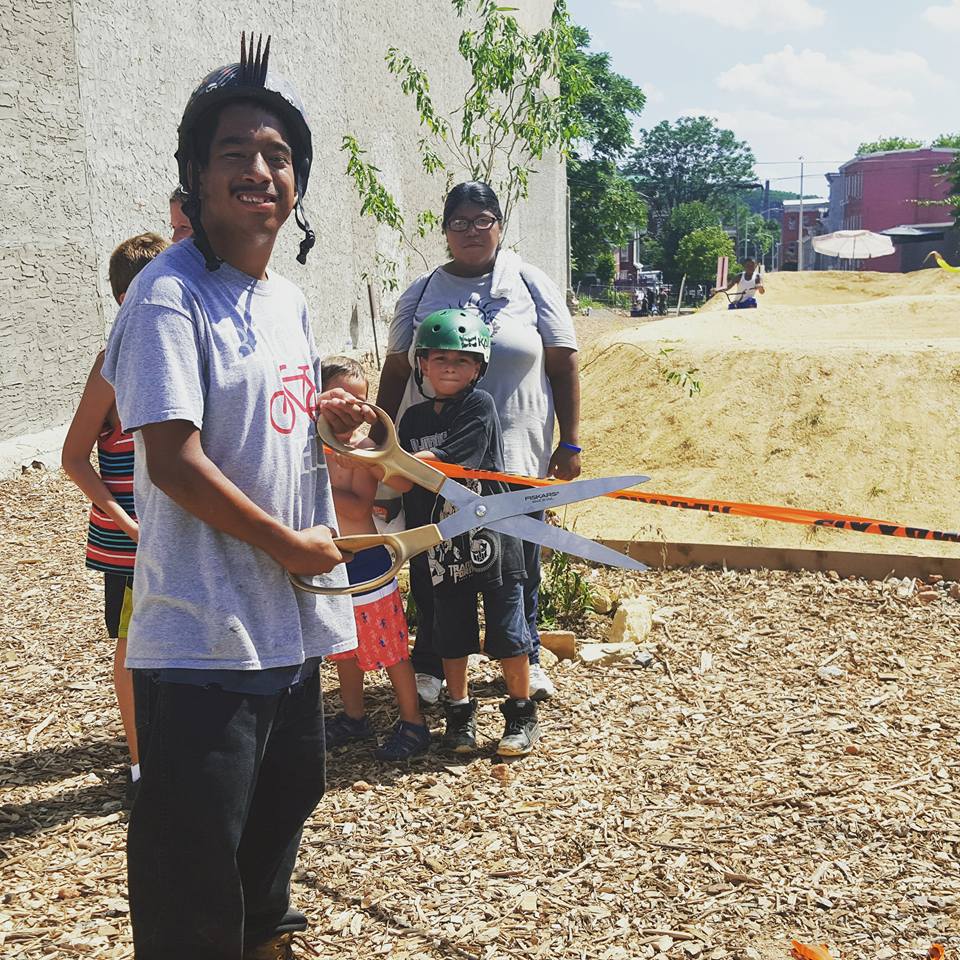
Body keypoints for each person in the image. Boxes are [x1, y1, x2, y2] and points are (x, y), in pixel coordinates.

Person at [102, 35, 371, 959]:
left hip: (288, 634)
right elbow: (171, 461)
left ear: (297, 185)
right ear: (197, 179)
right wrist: (292, 546)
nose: (260, 170)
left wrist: (328, 415)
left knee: (269, 857)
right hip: (203, 640)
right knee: (191, 883)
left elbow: (268, 427)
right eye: (235, 155)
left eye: (278, 156)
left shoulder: (285, 300)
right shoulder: (166, 299)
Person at [375, 181, 580, 706]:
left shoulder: (530, 284)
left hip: (515, 452)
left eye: (482, 220)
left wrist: (570, 442)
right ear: (444, 230)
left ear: (500, 226)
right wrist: (381, 438)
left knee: (519, 557)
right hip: (434, 454)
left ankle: (525, 654)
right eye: (460, 222)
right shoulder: (421, 292)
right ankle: (433, 661)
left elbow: (562, 361)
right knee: (434, 554)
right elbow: (397, 367)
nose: (471, 231)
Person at [374, 309, 540, 756]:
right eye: (440, 357)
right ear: (422, 365)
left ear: (479, 368)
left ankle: (521, 712)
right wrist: (386, 495)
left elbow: (444, 465)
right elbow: (402, 485)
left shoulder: (478, 406)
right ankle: (460, 714)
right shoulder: (409, 421)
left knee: (507, 628)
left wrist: (394, 466)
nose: (450, 366)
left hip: (491, 536)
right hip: (441, 544)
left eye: (463, 360)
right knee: (450, 629)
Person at [62, 231, 170, 804]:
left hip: (183, 534)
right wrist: (124, 522)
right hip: (130, 543)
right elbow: (74, 458)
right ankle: (138, 763)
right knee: (135, 649)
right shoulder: (111, 366)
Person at [321, 357, 430, 761]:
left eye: (361, 401)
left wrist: (314, 488)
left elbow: (358, 506)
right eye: (343, 398)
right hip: (330, 566)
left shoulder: (363, 451)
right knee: (343, 648)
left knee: (391, 650)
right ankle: (354, 716)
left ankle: (414, 722)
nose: (354, 409)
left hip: (366, 564)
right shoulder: (309, 446)